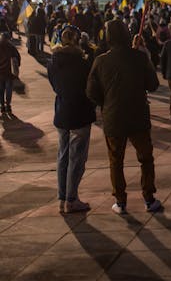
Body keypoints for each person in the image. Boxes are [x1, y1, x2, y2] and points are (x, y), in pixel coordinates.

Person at [86, 19, 162, 214]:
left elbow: (91, 92)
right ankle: (148, 197)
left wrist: (106, 102)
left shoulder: (101, 61)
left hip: (113, 118)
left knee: (115, 161)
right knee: (145, 158)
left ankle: (120, 201)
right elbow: (153, 84)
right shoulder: (138, 58)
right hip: (137, 116)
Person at [47, 26, 96, 213]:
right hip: (80, 113)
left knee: (63, 156)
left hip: (62, 112)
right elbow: (90, 88)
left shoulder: (52, 62)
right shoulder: (83, 63)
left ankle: (62, 198)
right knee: (77, 158)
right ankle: (72, 199)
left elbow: (54, 85)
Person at [0, 32, 21, 117]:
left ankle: (2, 106)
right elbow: (17, 58)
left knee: (0, 90)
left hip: (0, 73)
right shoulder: (11, 47)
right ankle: (8, 105)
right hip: (9, 73)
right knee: (8, 90)